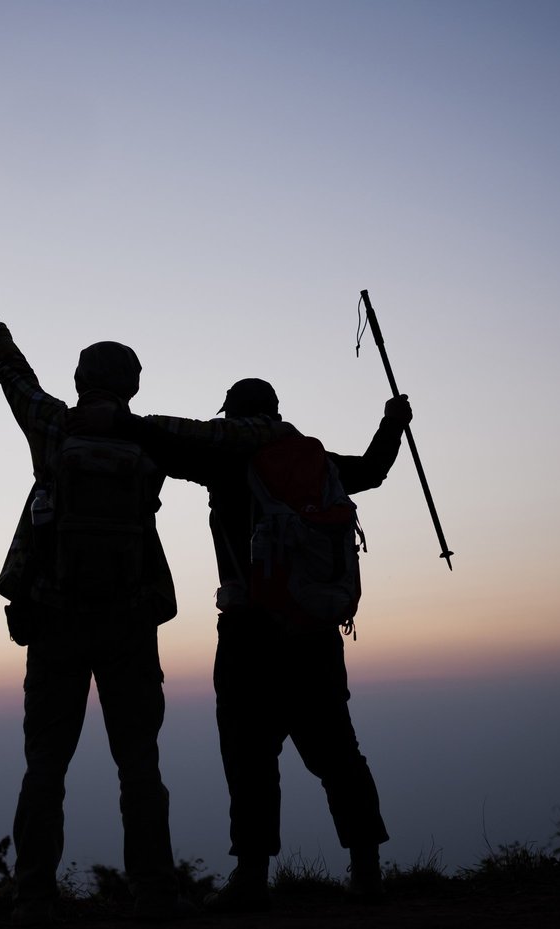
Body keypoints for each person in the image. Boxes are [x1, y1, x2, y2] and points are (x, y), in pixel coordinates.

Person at [0, 261, 282, 921]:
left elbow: (9, 369)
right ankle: (156, 892)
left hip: (55, 621)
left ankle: (33, 894)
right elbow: (230, 436)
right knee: (139, 762)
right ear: (133, 384)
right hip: (130, 623)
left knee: (45, 762)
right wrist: (276, 429)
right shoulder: (150, 435)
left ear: (81, 381)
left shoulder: (54, 427)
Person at [121, 377, 410, 910]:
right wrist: (393, 422)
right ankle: (367, 870)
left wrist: (116, 417)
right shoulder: (316, 465)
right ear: (276, 412)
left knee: (249, 754)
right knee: (336, 751)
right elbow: (372, 471)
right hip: (313, 629)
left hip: (247, 631)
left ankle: (252, 878)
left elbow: (166, 446)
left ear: (233, 417)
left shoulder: (225, 463)